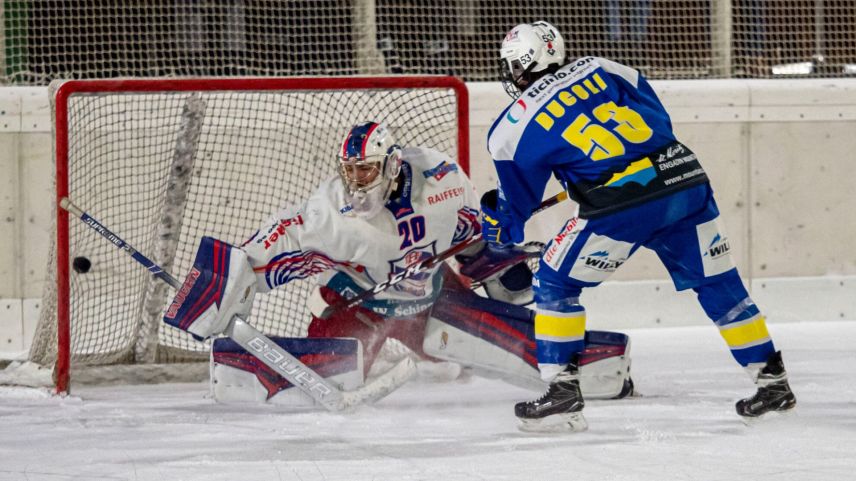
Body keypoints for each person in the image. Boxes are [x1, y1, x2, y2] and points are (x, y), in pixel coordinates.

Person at [164, 120, 634, 403]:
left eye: (365, 170)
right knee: (328, 376)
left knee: (519, 346)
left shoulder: (443, 179)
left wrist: (505, 274)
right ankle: (243, 366)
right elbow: (256, 256)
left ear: (391, 166)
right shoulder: (328, 214)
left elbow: (473, 239)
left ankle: (599, 370)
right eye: (349, 171)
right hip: (356, 308)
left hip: (431, 299)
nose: (355, 181)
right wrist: (214, 292)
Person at [482, 21, 796, 432]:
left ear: (521, 65)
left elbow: (515, 210)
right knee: (719, 282)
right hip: (684, 180)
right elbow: (658, 118)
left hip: (621, 204)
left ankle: (561, 393)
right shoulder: (602, 67)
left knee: (555, 284)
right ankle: (773, 385)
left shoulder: (511, 126)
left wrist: (497, 223)